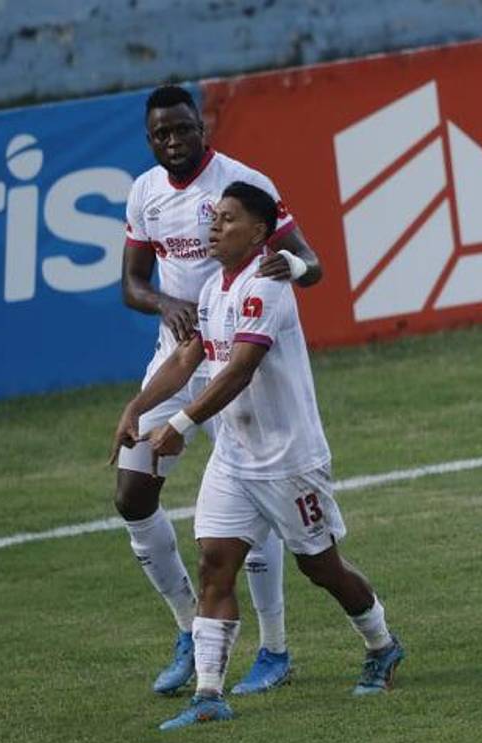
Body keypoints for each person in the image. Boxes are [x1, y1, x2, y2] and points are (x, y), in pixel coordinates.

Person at [111, 182, 404, 731]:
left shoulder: (266, 287)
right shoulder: (214, 288)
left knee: (321, 567)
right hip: (235, 457)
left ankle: (382, 644)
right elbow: (187, 357)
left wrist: (179, 425)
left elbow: (239, 368)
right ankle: (208, 696)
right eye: (213, 218)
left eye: (227, 219)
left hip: (289, 460)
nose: (214, 227)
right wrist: (139, 406)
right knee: (215, 562)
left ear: (260, 233)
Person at [114, 85, 324, 696]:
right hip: (178, 357)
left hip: (239, 359)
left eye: (183, 129)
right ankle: (187, 627)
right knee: (131, 495)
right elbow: (132, 283)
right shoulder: (144, 192)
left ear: (202, 126)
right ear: (150, 138)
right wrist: (164, 301)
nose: (173, 141)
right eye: (162, 134)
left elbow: (312, 263)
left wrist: (296, 268)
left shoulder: (240, 184)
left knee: (251, 508)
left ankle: (275, 648)